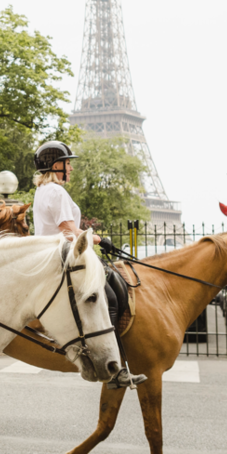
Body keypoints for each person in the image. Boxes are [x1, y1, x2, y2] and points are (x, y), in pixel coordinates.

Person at [31, 140, 146, 390]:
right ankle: (113, 365)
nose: (71, 168)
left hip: (54, 255)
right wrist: (98, 239)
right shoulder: (56, 192)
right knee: (110, 295)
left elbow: (68, 229)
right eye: (67, 164)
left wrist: (95, 239)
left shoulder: (42, 191)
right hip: (65, 257)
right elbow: (68, 232)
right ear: (55, 165)